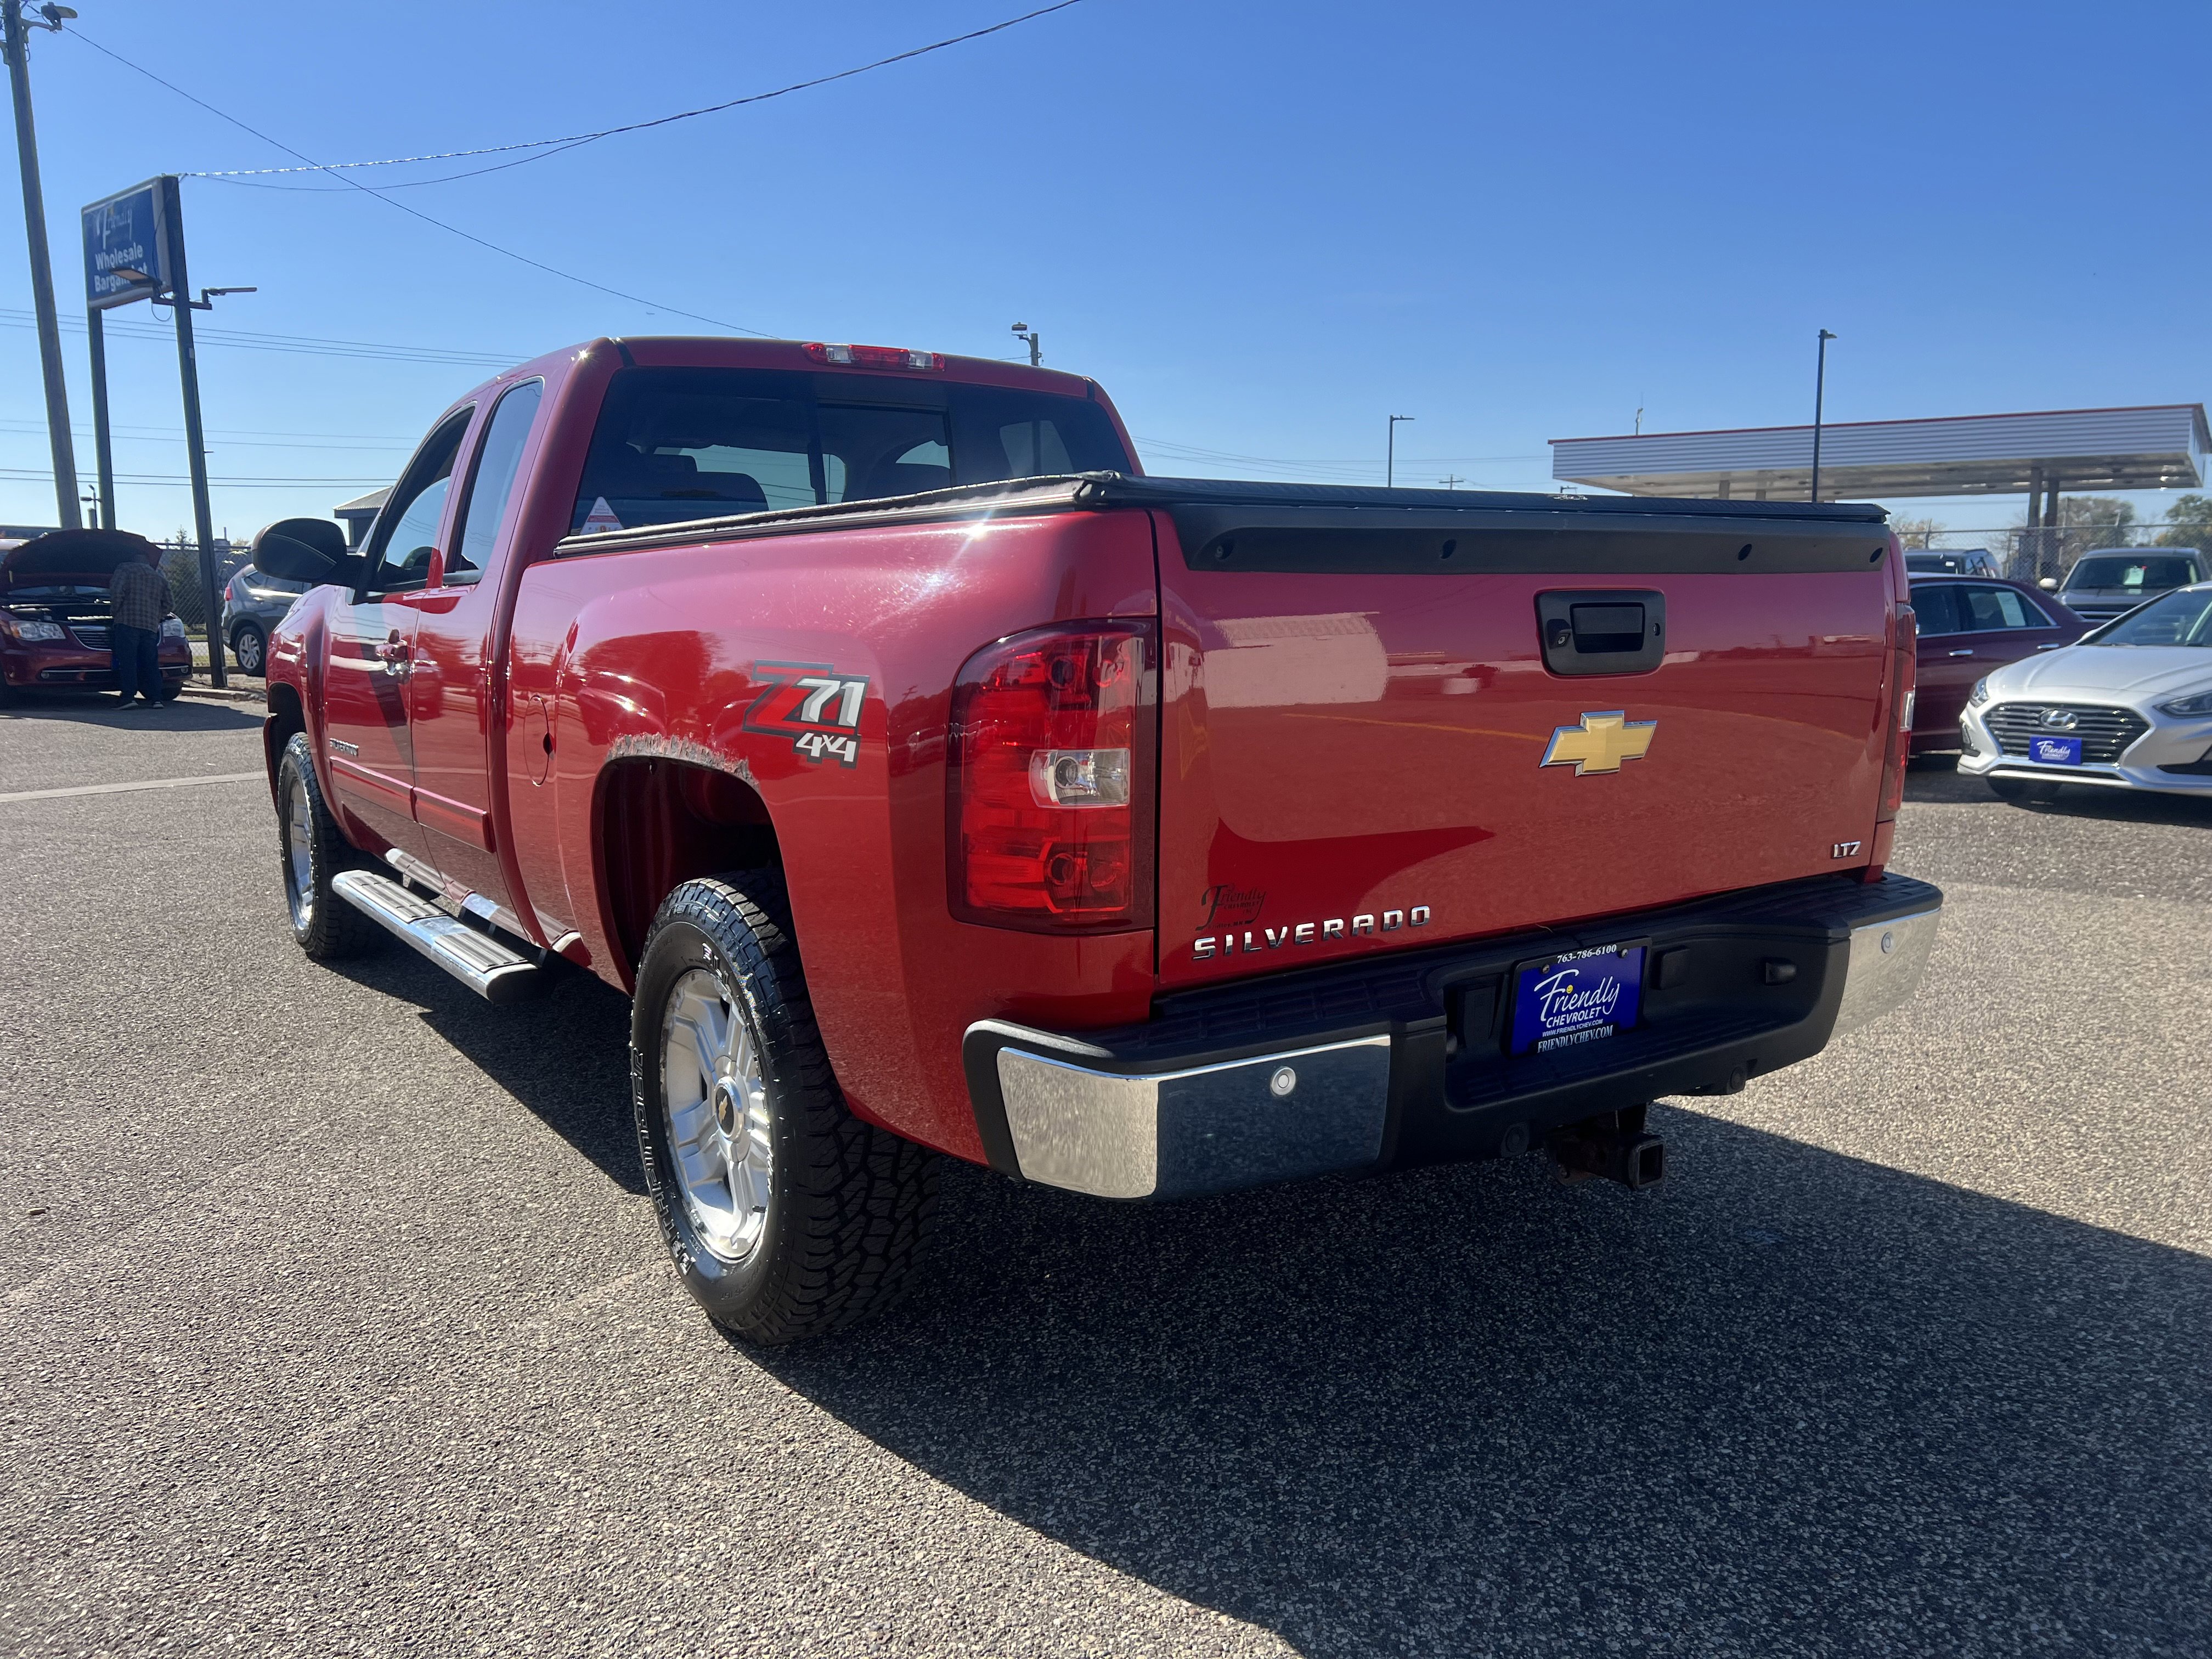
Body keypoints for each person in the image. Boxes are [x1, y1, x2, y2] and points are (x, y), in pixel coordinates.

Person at [109, 543, 171, 710]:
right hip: (150, 626)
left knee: (128, 661)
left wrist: (115, 612)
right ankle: (156, 699)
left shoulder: (124, 569)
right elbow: (169, 604)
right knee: (150, 662)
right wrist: (157, 616)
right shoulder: (158, 577)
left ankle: (129, 697)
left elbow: (117, 592)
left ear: (132, 559)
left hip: (127, 622)